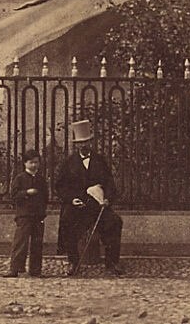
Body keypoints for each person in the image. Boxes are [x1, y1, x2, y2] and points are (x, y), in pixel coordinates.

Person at [54, 119, 123, 277]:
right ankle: (73, 261)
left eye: (86, 142)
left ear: (91, 141)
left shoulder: (100, 161)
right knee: (67, 220)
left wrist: (107, 199)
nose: (83, 145)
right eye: (80, 143)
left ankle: (112, 263)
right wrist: (71, 199)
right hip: (78, 206)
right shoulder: (69, 162)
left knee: (115, 221)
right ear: (76, 144)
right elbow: (60, 186)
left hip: (98, 206)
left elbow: (110, 183)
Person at [4, 149, 49, 278]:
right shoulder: (20, 178)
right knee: (20, 242)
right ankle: (15, 269)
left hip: (38, 215)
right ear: (25, 163)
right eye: (31, 162)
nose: (34, 165)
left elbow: (45, 196)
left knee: (37, 243)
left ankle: (35, 270)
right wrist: (26, 193)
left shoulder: (41, 179)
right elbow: (13, 196)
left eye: (36, 162)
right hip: (24, 215)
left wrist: (42, 210)